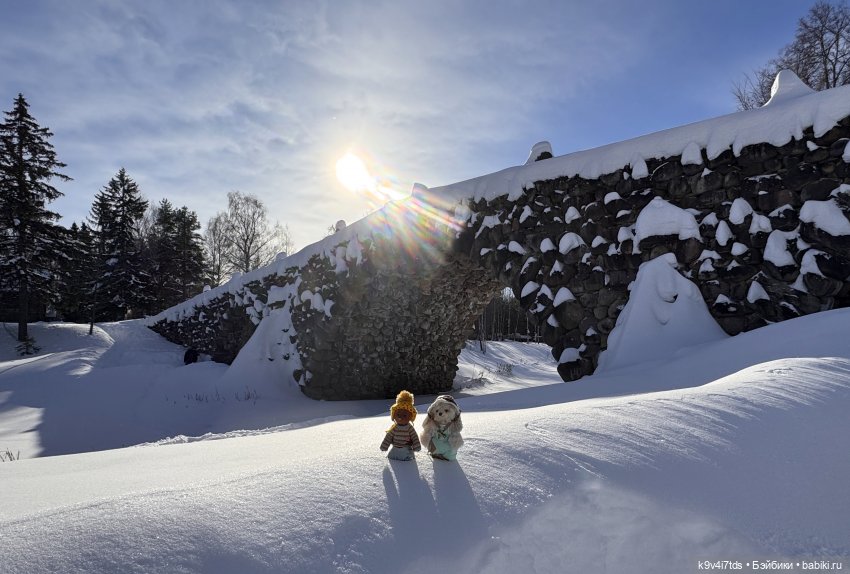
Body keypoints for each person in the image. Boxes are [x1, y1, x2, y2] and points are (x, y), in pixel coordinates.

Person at [379, 390, 421, 461]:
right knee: (392, 458)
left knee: (408, 459)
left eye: (405, 415)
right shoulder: (394, 428)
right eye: (398, 414)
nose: (400, 417)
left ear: (411, 416)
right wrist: (384, 446)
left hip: (406, 449)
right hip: (395, 449)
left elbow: (414, 437)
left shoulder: (409, 428)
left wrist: (416, 446)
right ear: (393, 415)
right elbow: (388, 437)